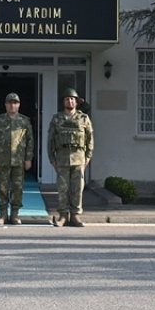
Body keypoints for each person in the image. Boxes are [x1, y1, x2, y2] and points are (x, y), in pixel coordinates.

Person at [47, 87, 94, 227]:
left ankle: (75, 216)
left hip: (79, 158)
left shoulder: (84, 119)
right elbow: (50, 140)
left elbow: (90, 139)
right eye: (67, 99)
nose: (70, 101)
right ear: (63, 102)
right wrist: (52, 159)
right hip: (61, 158)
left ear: (76, 102)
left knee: (77, 188)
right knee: (62, 188)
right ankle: (62, 215)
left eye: (72, 99)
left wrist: (88, 158)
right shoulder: (56, 119)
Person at [0, 92, 34, 225]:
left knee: (17, 188)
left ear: (19, 105)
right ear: (5, 105)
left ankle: (14, 214)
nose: (12, 105)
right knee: (2, 187)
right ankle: (2, 214)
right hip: (2, 160)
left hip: (19, 160)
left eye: (15, 103)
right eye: (9, 103)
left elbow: (30, 141)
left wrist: (28, 158)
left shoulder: (24, 121)